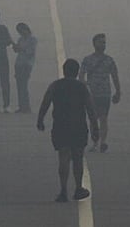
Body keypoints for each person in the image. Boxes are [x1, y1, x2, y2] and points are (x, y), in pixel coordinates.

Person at [37, 58, 100, 203]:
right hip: (78, 126)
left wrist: (40, 119)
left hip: (60, 125)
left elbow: (45, 102)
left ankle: (63, 190)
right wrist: (95, 128)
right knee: (78, 158)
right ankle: (78, 188)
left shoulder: (55, 85)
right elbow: (90, 109)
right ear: (77, 72)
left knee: (63, 157)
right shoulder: (82, 87)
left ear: (64, 71)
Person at [79, 33, 121, 153]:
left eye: (104, 42)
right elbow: (81, 75)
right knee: (93, 120)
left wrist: (118, 91)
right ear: (94, 44)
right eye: (100, 42)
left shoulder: (109, 60)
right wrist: (84, 86)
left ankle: (103, 142)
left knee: (103, 118)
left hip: (105, 94)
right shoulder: (88, 60)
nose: (103, 44)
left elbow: (115, 76)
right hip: (91, 94)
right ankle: (95, 142)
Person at [12, 22, 37, 114]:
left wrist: (20, 49)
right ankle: (21, 106)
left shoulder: (32, 39)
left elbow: (30, 52)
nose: (21, 32)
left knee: (24, 86)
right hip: (19, 63)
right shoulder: (20, 39)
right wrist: (15, 47)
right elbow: (17, 50)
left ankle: (26, 106)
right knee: (19, 86)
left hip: (27, 64)